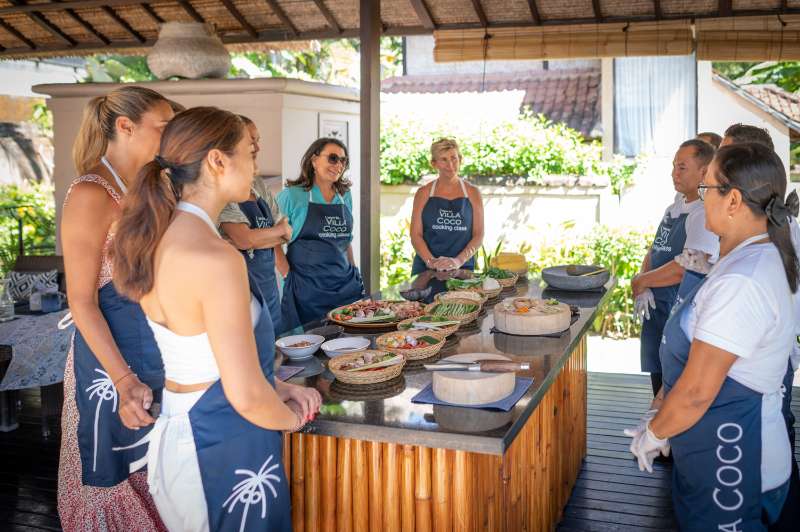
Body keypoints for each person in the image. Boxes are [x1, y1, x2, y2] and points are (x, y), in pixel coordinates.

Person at [112, 107, 321, 531]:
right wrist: (294, 420)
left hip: (185, 430)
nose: (256, 166)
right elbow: (246, 396)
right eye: (249, 153)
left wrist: (276, 386)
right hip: (220, 441)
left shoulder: (160, 238)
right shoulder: (215, 256)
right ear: (217, 160)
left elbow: (205, 356)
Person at [627, 143, 796, 530]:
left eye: (707, 189)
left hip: (736, 467)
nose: (701, 199)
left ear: (733, 200)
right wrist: (659, 406)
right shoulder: (741, 259)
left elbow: (698, 390)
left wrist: (654, 432)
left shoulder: (742, 281)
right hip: (711, 457)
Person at [59, 86, 173, 530]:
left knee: (162, 473)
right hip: (109, 363)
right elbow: (81, 301)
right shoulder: (91, 192)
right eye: (163, 126)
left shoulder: (151, 186)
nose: (171, 135)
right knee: (116, 478)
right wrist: (123, 380)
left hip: (156, 348)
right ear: (126, 127)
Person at [721, 124, 800, 529]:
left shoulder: (762, 248)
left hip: (761, 365)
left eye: (725, 156)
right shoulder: (761, 236)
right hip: (759, 360)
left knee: (771, 441)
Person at [632, 139, 719, 395]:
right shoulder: (674, 207)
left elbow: (686, 266)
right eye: (673, 166)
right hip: (656, 312)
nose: (674, 173)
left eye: (682, 167)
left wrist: (642, 281)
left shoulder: (703, 213)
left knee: (673, 390)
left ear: (704, 172)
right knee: (658, 383)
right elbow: (655, 248)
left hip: (678, 314)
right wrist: (643, 279)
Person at [277, 137, 365, 330]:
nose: (339, 165)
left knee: (351, 341)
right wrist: (287, 276)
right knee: (309, 344)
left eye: (343, 160)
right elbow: (271, 240)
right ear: (314, 160)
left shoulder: (345, 196)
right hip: (307, 291)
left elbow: (346, 241)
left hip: (345, 288)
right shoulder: (292, 195)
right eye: (333, 158)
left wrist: (354, 271)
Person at [219, 115, 291, 334]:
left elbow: (286, 232)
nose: (257, 147)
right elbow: (243, 239)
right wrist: (273, 233)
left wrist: (255, 238)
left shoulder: (258, 183)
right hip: (242, 290)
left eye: (257, 141)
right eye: (251, 141)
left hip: (269, 288)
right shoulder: (224, 187)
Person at [410, 138, 485, 274]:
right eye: (444, 159)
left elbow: (478, 235)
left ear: (460, 159)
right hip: (426, 269)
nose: (450, 164)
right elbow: (416, 235)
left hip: (462, 268)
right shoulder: (423, 193)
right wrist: (432, 262)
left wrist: (458, 261)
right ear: (434, 163)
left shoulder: (473, 193)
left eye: (453, 158)